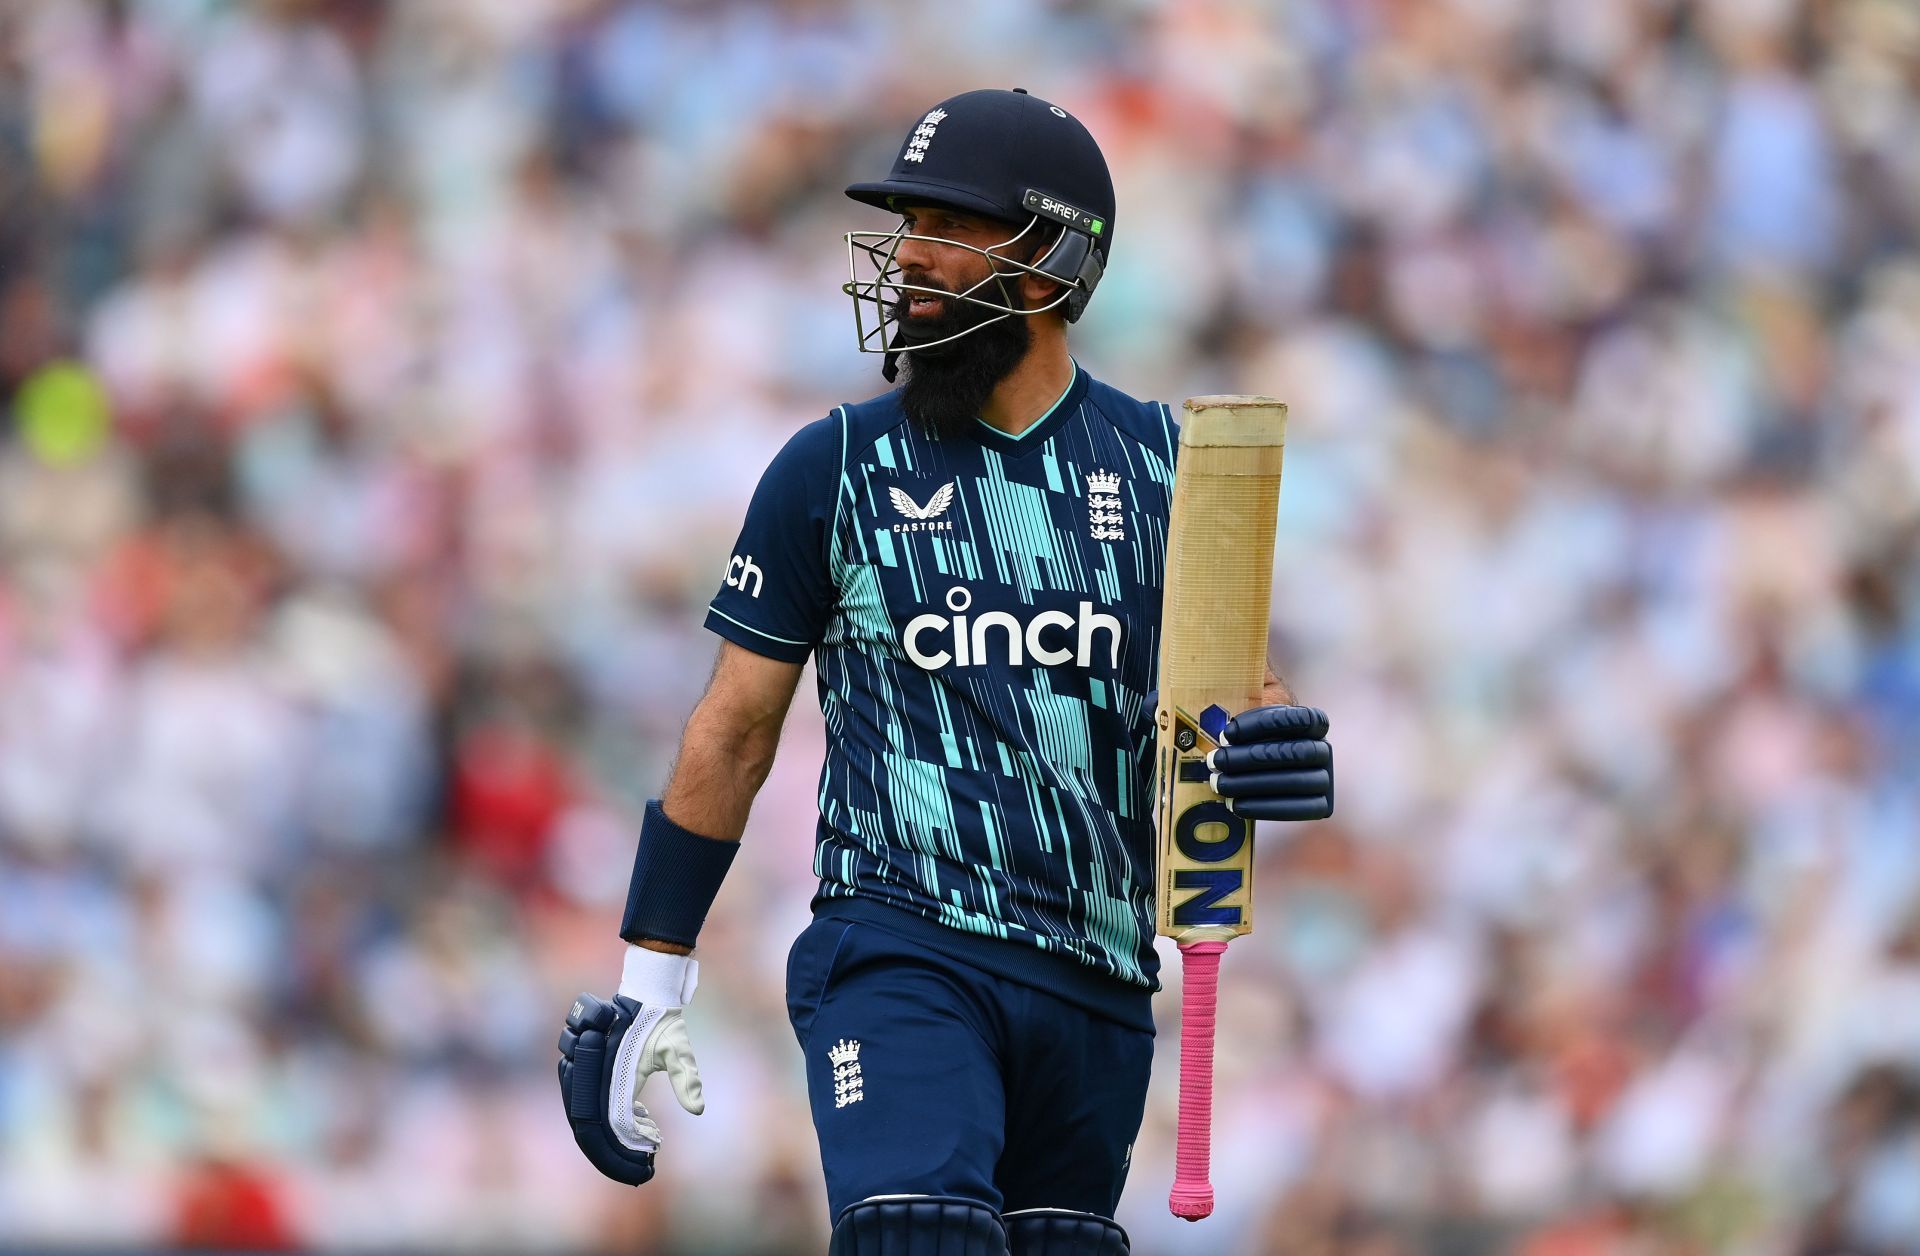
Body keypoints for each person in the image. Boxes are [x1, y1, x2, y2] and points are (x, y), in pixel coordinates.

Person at [557, 88, 1335, 1256]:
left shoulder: (1177, 469)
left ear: (1050, 262)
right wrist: (649, 978)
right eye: (906, 222)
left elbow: (1233, 693)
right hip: (902, 946)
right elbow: (733, 730)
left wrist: (1274, 744)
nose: (908, 256)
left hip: (1096, 972)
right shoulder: (835, 465)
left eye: (948, 226)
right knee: (917, 1233)